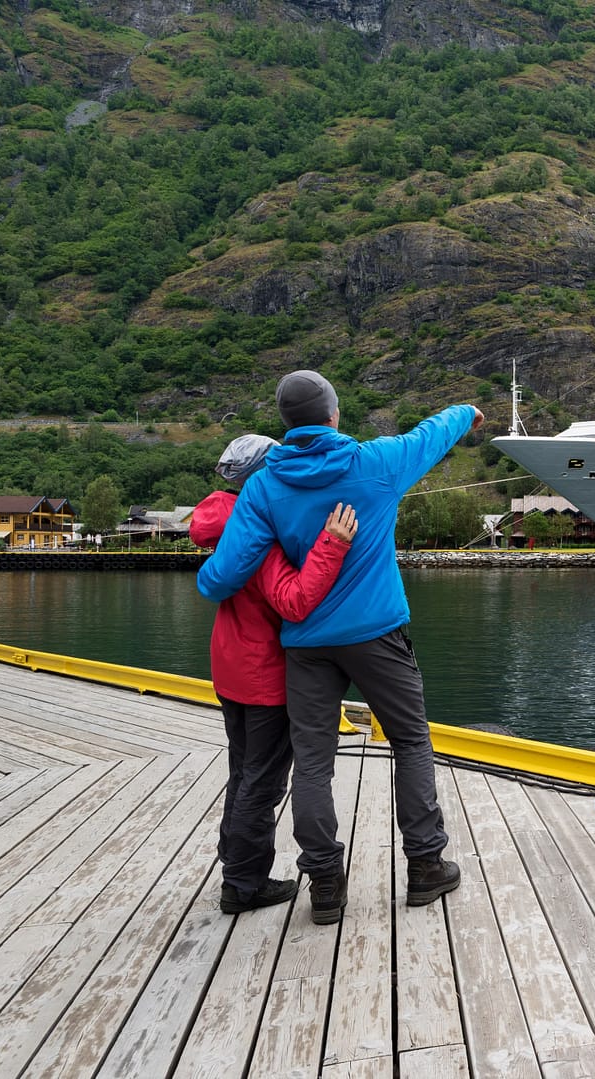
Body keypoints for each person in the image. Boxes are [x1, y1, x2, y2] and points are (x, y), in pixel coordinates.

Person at [197, 371, 482, 924]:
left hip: (305, 647)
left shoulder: (262, 488)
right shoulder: (376, 463)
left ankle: (325, 884)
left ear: (285, 423)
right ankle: (426, 866)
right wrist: (465, 411)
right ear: (333, 414)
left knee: (312, 764)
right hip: (378, 635)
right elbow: (433, 432)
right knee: (411, 743)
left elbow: (219, 578)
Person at [190, 434, 357, 914]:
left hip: (231, 667)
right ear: (264, 477)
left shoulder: (226, 524)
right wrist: (332, 544)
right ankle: (242, 885)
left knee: (243, 772)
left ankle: (237, 868)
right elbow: (295, 600)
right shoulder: (257, 535)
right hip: (263, 675)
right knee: (261, 782)